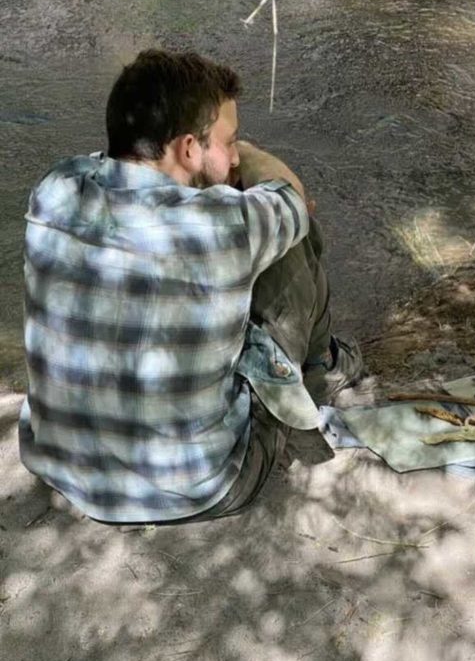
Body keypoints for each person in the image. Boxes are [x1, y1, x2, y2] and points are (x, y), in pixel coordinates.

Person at [19, 49, 362, 524]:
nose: (237, 153)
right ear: (187, 148)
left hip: (62, 470)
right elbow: (293, 198)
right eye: (231, 139)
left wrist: (214, 165)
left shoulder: (54, 188)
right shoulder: (220, 226)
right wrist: (251, 163)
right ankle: (325, 368)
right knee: (294, 242)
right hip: (198, 489)